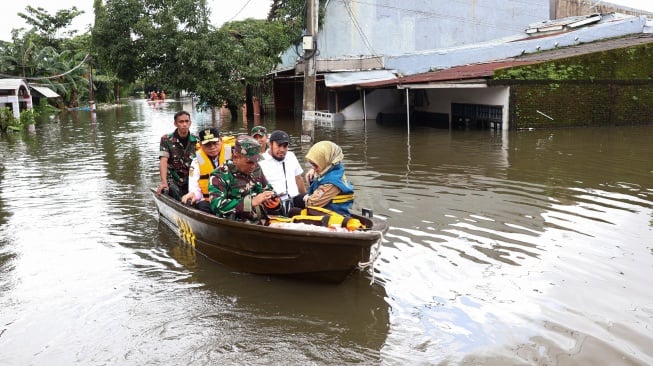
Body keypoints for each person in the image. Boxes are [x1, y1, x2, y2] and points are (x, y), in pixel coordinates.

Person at [208, 135, 279, 224]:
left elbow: (267, 189)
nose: (253, 166)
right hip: (235, 225)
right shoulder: (220, 174)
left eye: (256, 161)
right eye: (249, 162)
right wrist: (250, 203)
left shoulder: (256, 168)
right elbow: (216, 204)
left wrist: (273, 201)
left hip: (261, 221)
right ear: (235, 157)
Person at [300, 140, 355, 215]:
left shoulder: (331, 183)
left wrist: (306, 198)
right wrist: (314, 172)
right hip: (330, 210)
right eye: (311, 164)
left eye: (315, 165)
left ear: (325, 162)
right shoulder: (334, 167)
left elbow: (312, 203)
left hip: (333, 217)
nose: (313, 168)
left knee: (293, 210)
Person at [258, 130, 307, 213]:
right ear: (270, 144)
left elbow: (298, 178)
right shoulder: (261, 161)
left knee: (310, 200)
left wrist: (305, 196)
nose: (282, 150)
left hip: (294, 198)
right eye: (279, 146)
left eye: (285, 146)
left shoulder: (291, 156)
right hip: (275, 203)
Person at [157, 110, 199, 200]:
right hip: (174, 179)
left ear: (190, 123)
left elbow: (202, 159)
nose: (184, 124)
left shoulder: (197, 140)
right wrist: (164, 182)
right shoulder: (166, 139)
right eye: (181, 122)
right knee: (172, 189)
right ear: (175, 124)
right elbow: (163, 161)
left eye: (187, 121)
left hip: (191, 178)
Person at [180, 127, 223, 213]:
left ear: (221, 140)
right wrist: (193, 194)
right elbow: (194, 188)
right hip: (209, 201)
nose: (212, 147)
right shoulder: (196, 163)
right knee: (201, 205)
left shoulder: (233, 156)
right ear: (201, 144)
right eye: (208, 144)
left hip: (230, 200)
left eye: (215, 143)